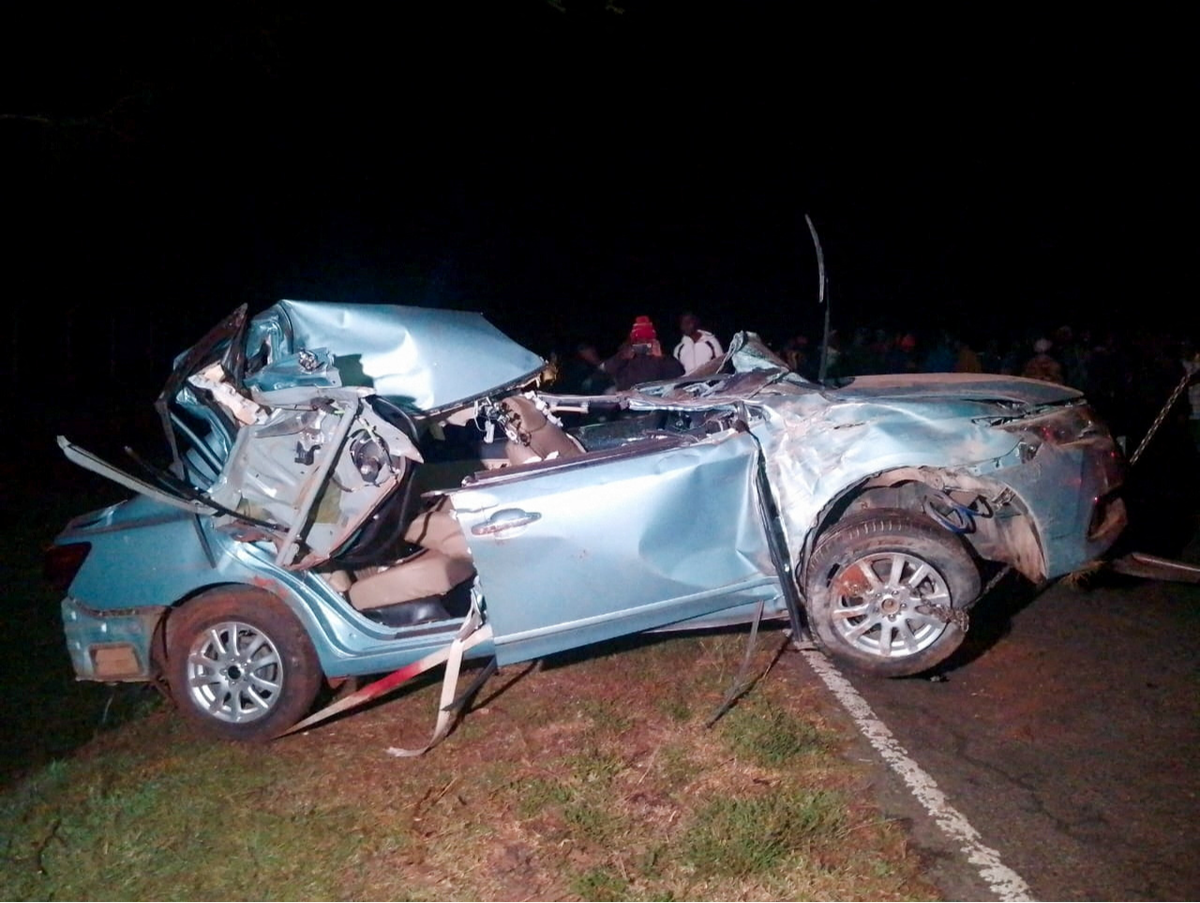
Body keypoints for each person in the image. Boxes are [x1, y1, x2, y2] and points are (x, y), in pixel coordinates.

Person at [602, 315, 684, 391]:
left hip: (653, 398)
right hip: (628, 399)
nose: (643, 342)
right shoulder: (625, 355)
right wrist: (622, 357)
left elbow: (678, 374)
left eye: (647, 339)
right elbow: (606, 370)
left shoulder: (661, 358)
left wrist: (660, 357)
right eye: (640, 340)